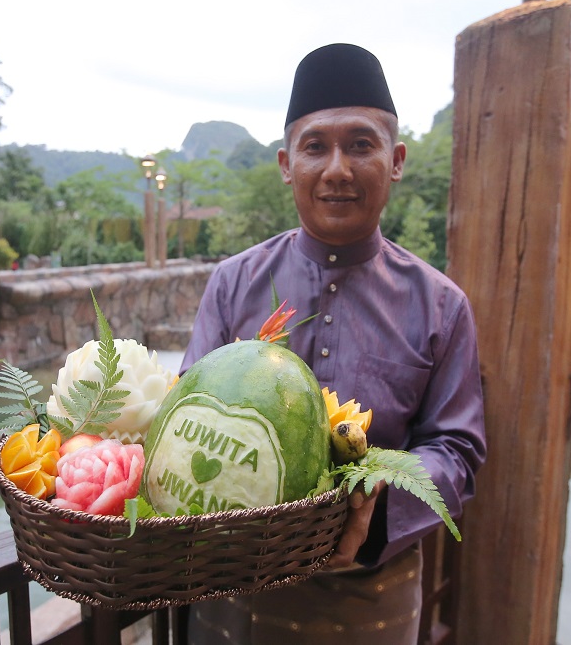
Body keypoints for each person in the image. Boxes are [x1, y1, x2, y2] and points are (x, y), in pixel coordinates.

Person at [181, 43, 487, 645]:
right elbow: (185, 411)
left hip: (370, 599)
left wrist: (374, 507)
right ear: (286, 164)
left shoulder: (441, 305)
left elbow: (457, 448)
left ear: (396, 160)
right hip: (230, 593)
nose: (338, 169)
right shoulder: (234, 283)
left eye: (362, 145)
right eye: (316, 146)